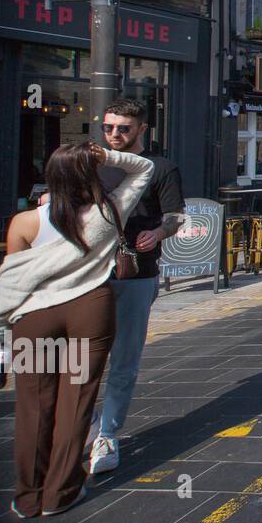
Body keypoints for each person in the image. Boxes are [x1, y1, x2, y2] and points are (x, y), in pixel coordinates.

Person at [0, 142, 155, 518]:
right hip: (87, 314)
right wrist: (106, 155)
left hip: (34, 320)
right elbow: (143, 168)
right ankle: (60, 493)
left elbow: (12, 279)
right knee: (74, 403)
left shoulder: (25, 223)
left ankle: (29, 496)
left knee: (33, 405)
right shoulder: (108, 211)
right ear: (90, 174)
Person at [87, 98, 185, 475]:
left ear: (142, 129)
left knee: (124, 358)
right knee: (75, 355)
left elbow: (176, 216)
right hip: (87, 273)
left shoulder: (161, 168)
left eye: (123, 128)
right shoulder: (92, 164)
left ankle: (108, 434)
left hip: (134, 272)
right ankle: (87, 420)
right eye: (109, 127)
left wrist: (159, 232)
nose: (114, 134)